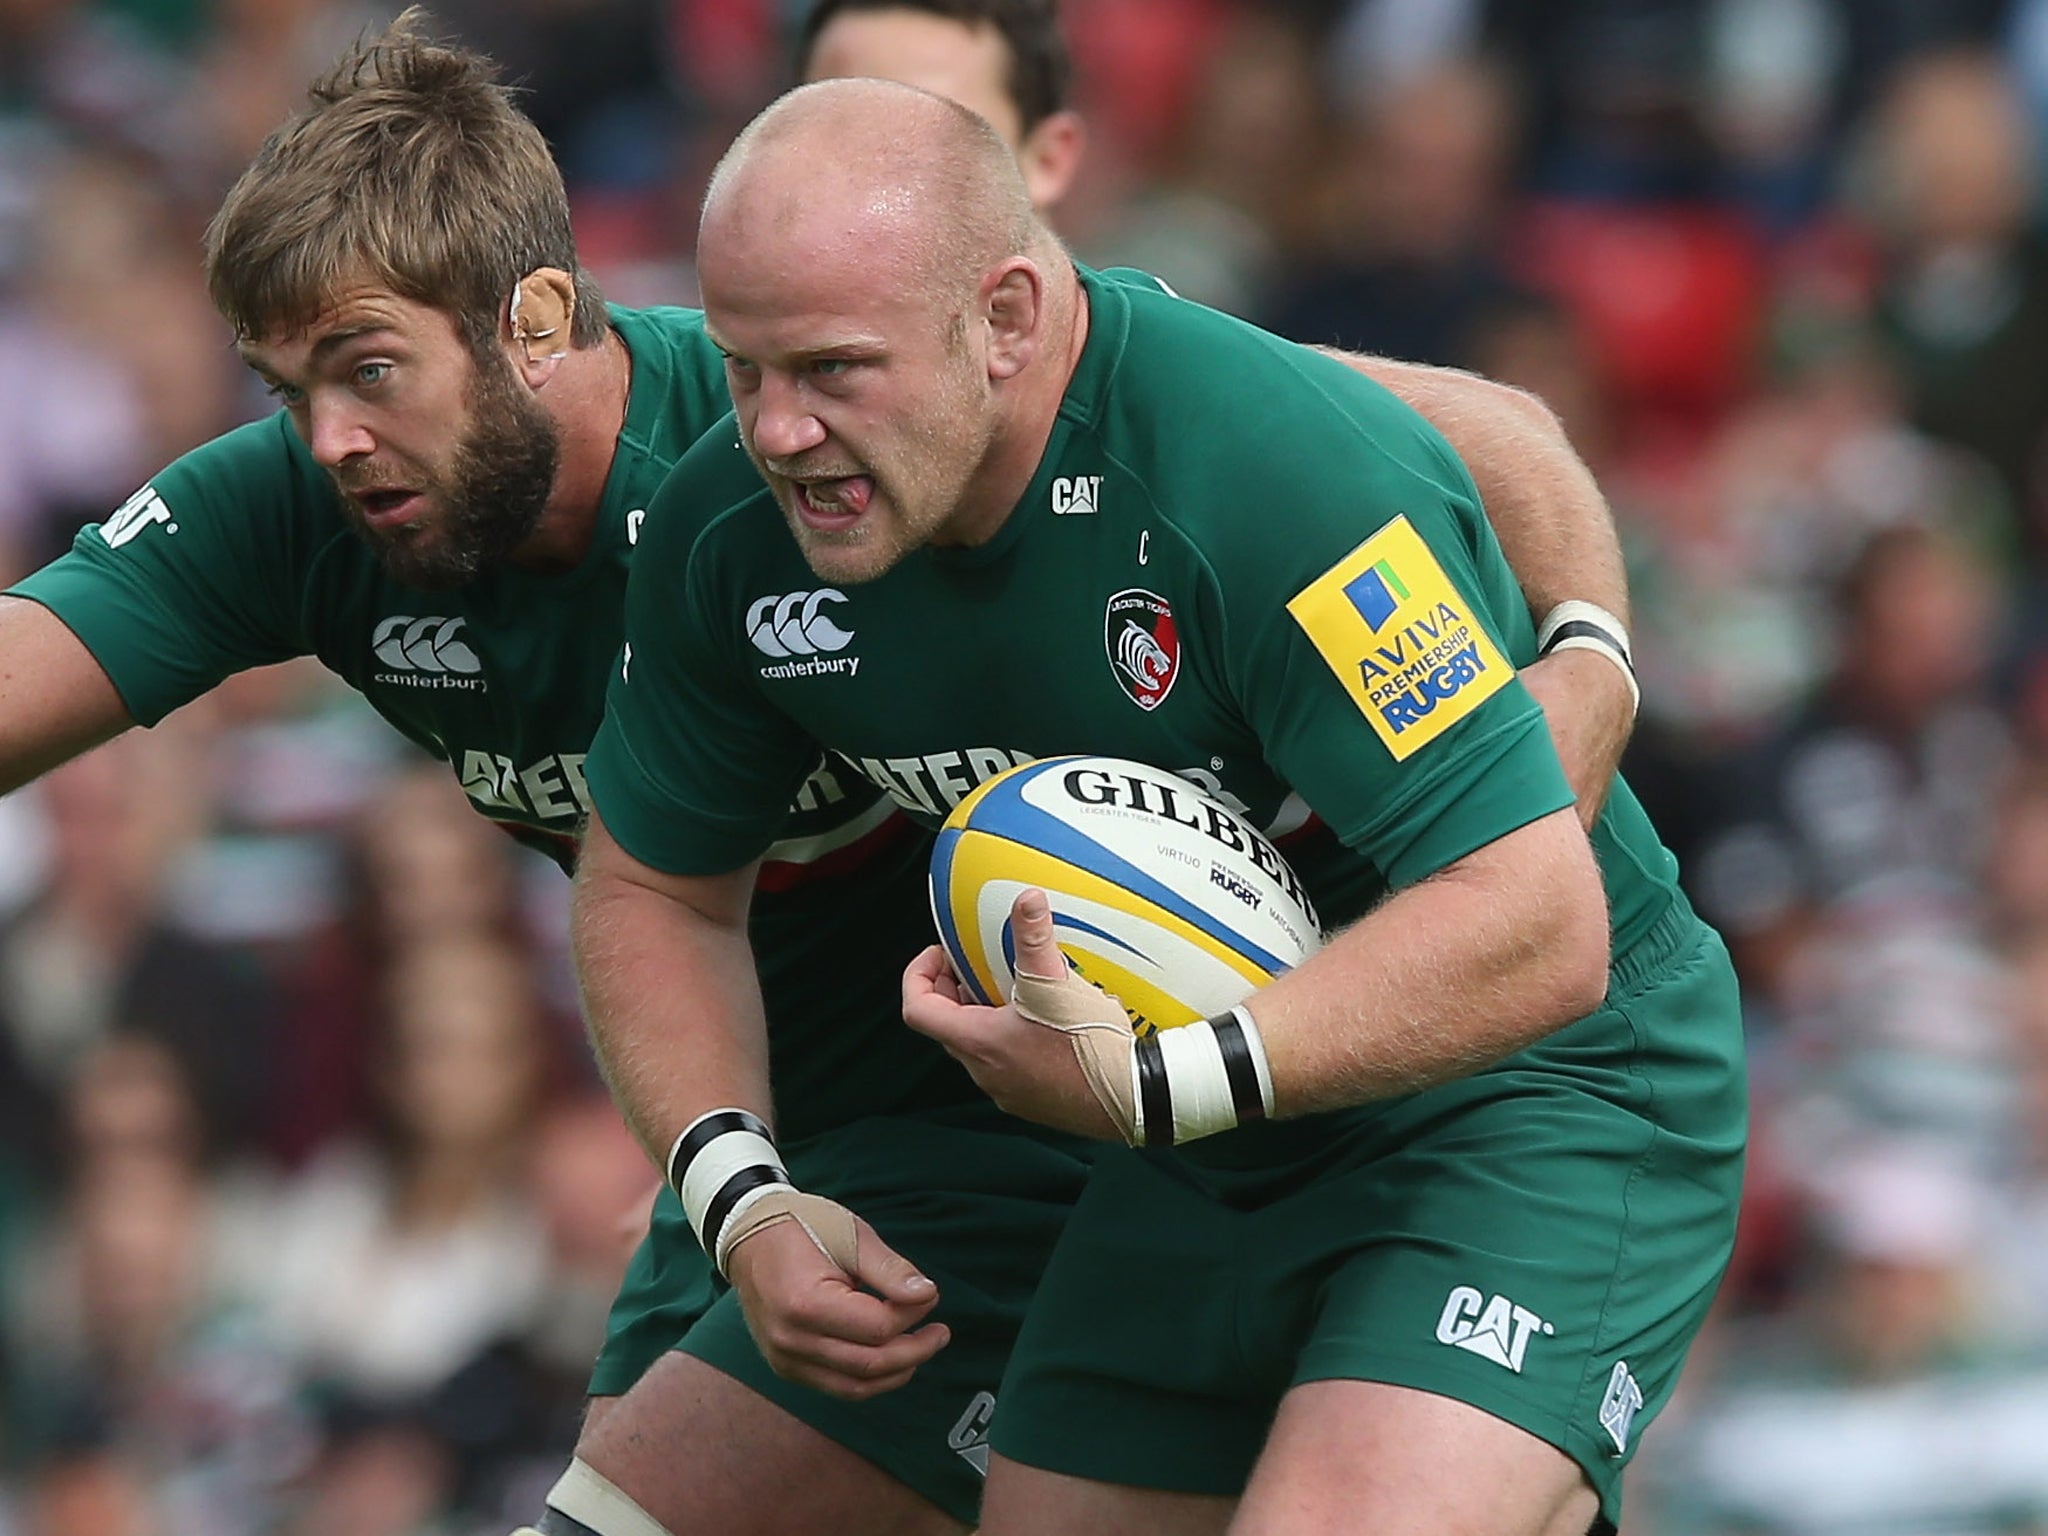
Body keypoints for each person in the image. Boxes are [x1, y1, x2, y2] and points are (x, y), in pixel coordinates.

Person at [0, 15, 1637, 1536]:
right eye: (288, 391)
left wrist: (1588, 655)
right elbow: (649, 890)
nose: (327, 439)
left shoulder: (862, 397)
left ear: (543, 324)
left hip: (1038, 1113)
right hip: (783, 1145)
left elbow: (1464, 433)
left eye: (366, 373)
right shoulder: (364, 503)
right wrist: (736, 1193)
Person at [575, 78, 1745, 1536]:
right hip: (1192, 1135)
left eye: (831, 370)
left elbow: (1537, 924)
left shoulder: (1255, 469)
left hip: (1529, 1088)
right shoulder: (729, 532)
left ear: (1007, 317)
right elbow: (651, 886)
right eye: (743, 370)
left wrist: (1159, 1083)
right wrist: (739, 1194)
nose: (780, 430)